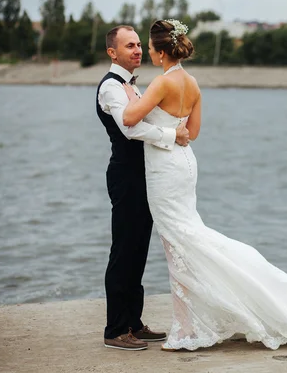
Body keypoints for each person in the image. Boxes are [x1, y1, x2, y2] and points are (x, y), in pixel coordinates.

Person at [121, 19, 287, 351]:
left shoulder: (161, 83)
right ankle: (188, 323)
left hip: (165, 169)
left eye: (149, 47)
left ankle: (187, 328)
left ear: (160, 52)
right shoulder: (193, 83)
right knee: (185, 240)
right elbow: (194, 133)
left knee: (178, 245)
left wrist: (131, 96)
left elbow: (130, 119)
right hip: (184, 164)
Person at [96, 25, 190, 351]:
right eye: (129, 45)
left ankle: (134, 323)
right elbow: (129, 130)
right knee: (123, 252)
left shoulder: (132, 86)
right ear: (112, 52)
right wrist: (171, 137)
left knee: (138, 252)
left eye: (139, 45)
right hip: (126, 177)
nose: (137, 50)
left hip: (145, 176)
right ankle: (116, 329)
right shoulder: (111, 87)